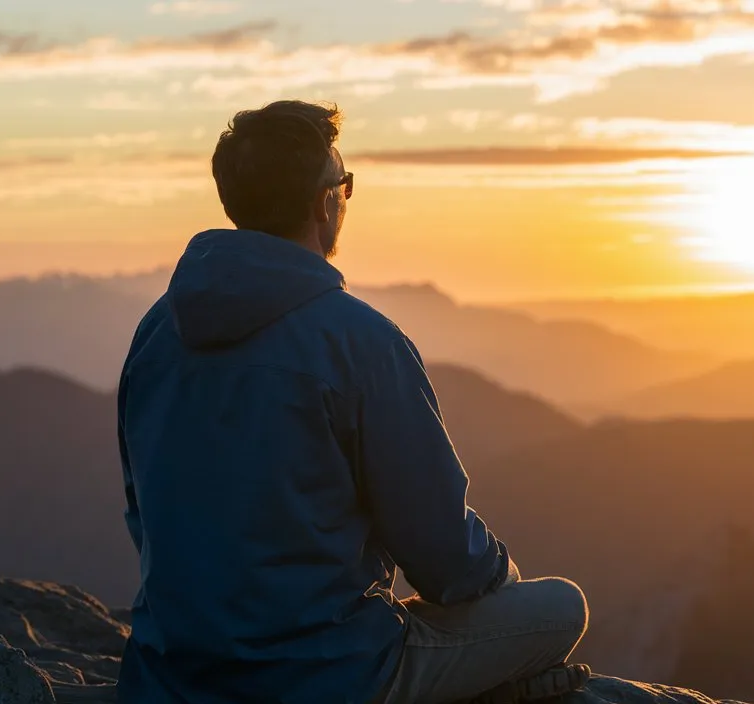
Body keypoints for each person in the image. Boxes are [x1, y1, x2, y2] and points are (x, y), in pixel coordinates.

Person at [116, 100, 589, 704]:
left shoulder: (156, 333)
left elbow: (144, 513)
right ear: (323, 202)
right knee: (558, 608)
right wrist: (500, 577)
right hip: (328, 674)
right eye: (344, 184)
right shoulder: (360, 341)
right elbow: (444, 560)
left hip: (173, 668)